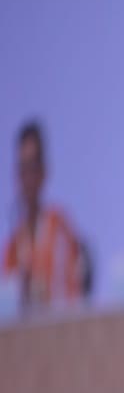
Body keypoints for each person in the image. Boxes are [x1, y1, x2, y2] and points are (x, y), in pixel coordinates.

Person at [3, 121, 90, 312]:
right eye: (22, 169)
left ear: (43, 172)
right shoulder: (13, 246)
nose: (27, 178)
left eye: (32, 167)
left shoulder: (60, 228)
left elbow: (75, 294)